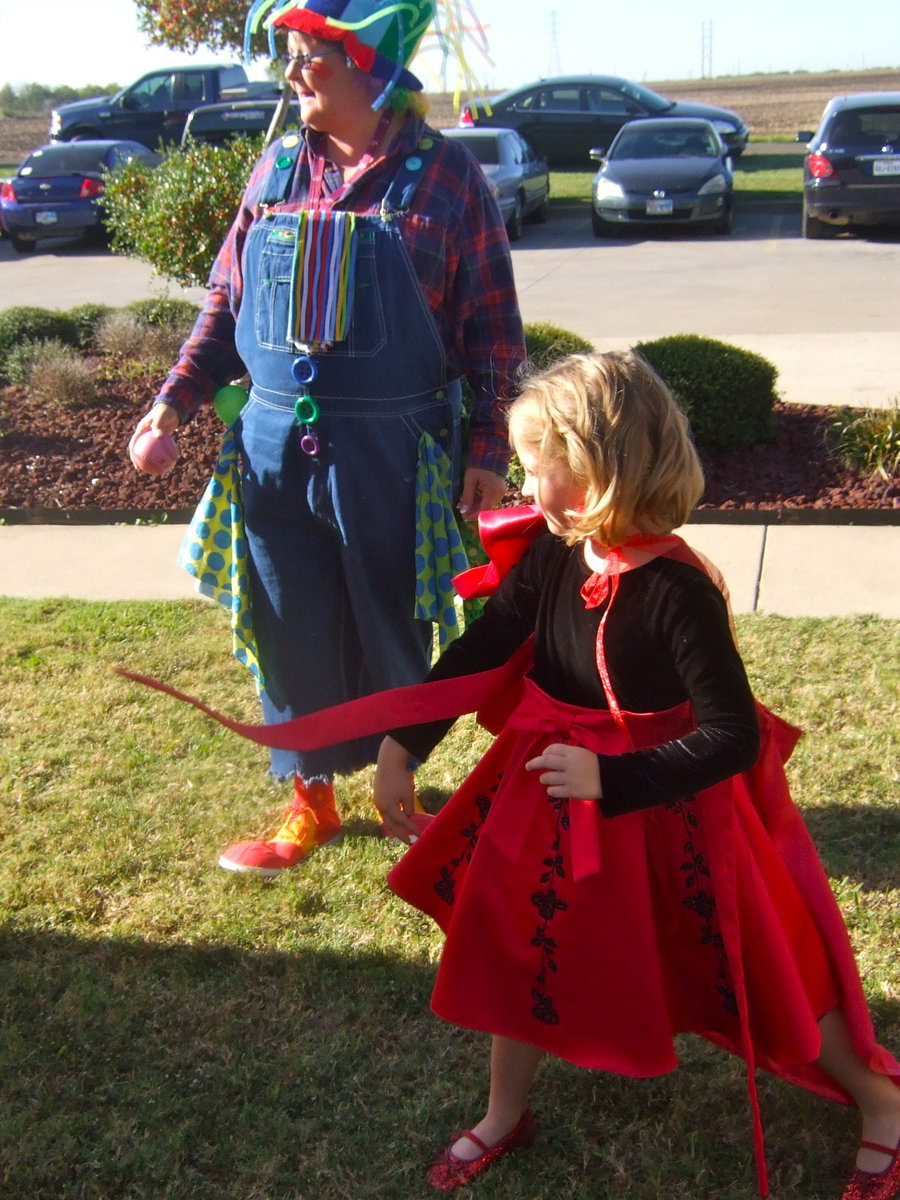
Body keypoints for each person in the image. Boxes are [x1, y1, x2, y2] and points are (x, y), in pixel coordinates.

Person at [373, 351, 900, 1197]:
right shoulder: (555, 553)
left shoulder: (677, 591)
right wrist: (408, 739)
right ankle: (507, 1113)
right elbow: (487, 646)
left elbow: (730, 736)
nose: (523, 483)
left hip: (673, 809)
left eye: (532, 465)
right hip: (551, 788)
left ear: (589, 472)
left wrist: (612, 782)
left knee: (770, 967)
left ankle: (880, 1101)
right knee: (522, 944)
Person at [128, 0, 526, 877]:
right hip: (270, 447)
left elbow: (494, 334)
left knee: (392, 621)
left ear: (368, 70)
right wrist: (173, 404)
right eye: (292, 54)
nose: (293, 72)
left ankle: (399, 792)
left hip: (396, 452)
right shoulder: (273, 169)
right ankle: (310, 798)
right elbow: (224, 307)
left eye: (311, 55)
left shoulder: (447, 178)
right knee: (287, 621)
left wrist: (488, 451)